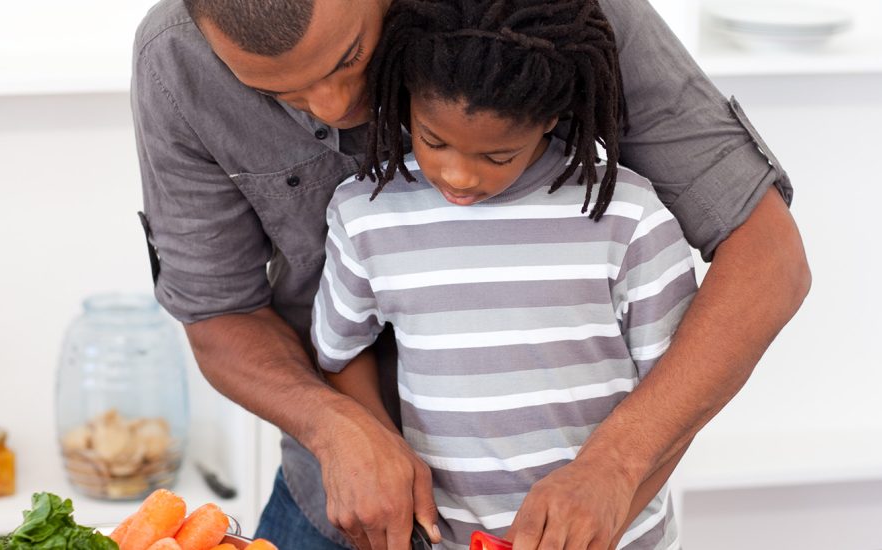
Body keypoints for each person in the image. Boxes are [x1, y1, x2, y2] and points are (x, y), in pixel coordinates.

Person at [131, 0, 810, 548]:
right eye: (282, 94)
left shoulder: (560, 10)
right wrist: (334, 426)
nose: (336, 107)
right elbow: (219, 315)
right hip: (339, 507)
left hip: (576, 516)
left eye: (350, 58)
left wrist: (614, 466)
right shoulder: (175, 63)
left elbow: (769, 258)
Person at [312, 1, 693, 548]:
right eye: (433, 139)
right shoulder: (368, 215)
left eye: (497, 156)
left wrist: (609, 508)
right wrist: (378, 442)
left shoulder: (627, 218)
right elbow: (339, 354)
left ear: (550, 118)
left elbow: (678, 400)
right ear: (404, 98)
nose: (458, 175)